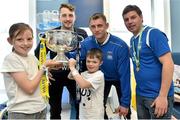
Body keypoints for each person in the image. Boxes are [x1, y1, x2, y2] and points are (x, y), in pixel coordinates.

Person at [34, 3, 88, 119]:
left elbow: (87, 54)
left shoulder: (82, 34)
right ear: (59, 17)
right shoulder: (51, 34)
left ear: (75, 17)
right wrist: (44, 71)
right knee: (55, 109)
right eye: (64, 15)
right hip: (55, 76)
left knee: (80, 106)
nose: (67, 19)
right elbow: (37, 54)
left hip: (74, 76)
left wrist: (84, 74)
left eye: (70, 15)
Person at [122, 5, 174, 119]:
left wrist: (163, 96)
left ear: (141, 18)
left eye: (133, 17)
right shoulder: (133, 40)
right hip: (141, 94)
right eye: (126, 19)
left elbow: (168, 64)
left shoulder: (153, 34)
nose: (130, 22)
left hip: (157, 96)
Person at [1, 23, 61, 119]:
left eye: (29, 39)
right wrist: (44, 67)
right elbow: (29, 88)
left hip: (40, 109)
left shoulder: (32, 57)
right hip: (22, 113)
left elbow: (35, 75)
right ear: (10, 41)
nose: (25, 43)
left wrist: (47, 70)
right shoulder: (11, 59)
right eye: (19, 39)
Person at [79, 13, 131, 119]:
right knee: (99, 108)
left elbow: (125, 76)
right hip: (101, 79)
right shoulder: (86, 44)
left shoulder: (120, 46)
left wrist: (125, 103)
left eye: (100, 25)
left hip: (118, 78)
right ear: (90, 28)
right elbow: (79, 62)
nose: (96, 29)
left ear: (106, 26)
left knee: (126, 110)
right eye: (93, 26)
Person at [68, 48, 104, 119]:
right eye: (88, 61)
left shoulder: (99, 75)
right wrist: (74, 66)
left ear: (101, 63)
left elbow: (83, 85)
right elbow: (70, 77)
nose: (90, 64)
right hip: (83, 114)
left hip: (95, 115)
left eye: (94, 62)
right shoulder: (84, 74)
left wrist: (72, 68)